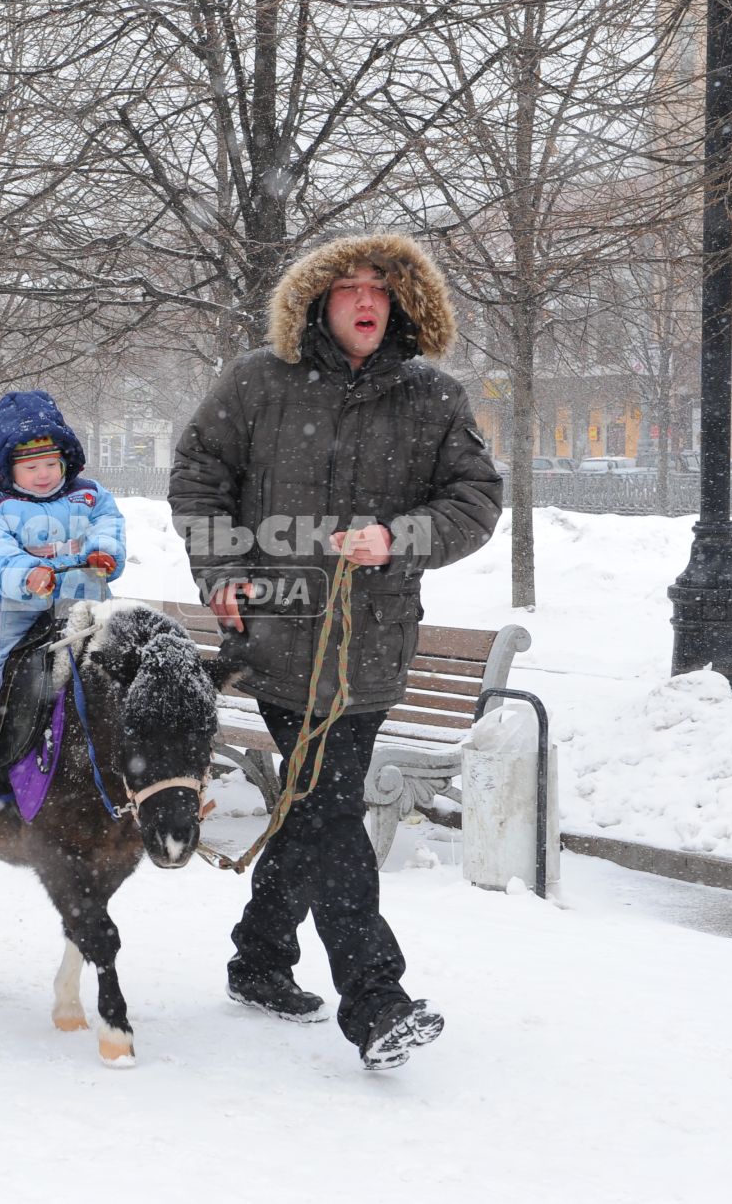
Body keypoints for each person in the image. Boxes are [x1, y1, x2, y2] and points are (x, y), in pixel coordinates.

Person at [168, 233, 501, 1071]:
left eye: (380, 288)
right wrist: (223, 569)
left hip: (372, 644)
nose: (365, 300)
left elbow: (476, 497)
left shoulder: (431, 396)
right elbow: (198, 474)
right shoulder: (257, 381)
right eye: (348, 286)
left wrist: (398, 537)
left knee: (318, 804)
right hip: (277, 638)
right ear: (318, 301)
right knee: (329, 808)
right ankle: (375, 998)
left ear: (401, 302)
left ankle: (259, 953)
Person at [0, 390, 125, 758]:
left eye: (51, 464)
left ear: (65, 462)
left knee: (120, 644)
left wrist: (103, 553)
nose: (43, 474)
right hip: (14, 602)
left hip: (84, 597)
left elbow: (107, 525)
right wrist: (26, 573)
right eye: (31, 468)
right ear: (8, 468)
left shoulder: (89, 495)